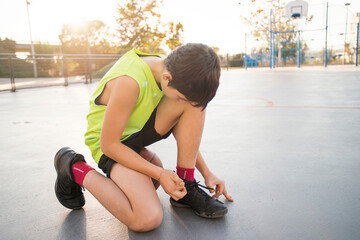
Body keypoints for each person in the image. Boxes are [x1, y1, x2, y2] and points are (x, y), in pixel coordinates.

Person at [54, 43, 233, 232]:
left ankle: (187, 184)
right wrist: (159, 173)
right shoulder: (129, 81)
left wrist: (206, 172)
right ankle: (74, 168)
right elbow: (109, 145)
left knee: (195, 104)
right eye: (180, 97)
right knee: (147, 218)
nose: (180, 103)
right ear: (167, 78)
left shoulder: (170, 68)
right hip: (112, 142)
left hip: (136, 131)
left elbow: (183, 129)